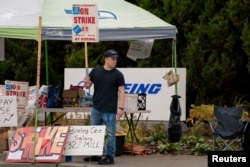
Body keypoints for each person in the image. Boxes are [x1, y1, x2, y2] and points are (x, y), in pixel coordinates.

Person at [83, 49, 125, 165]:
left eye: (116, 59)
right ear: (106, 59)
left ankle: (110, 157)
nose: (115, 61)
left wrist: (120, 108)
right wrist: (86, 82)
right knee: (94, 131)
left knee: (111, 134)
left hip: (110, 109)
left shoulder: (118, 74)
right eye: (113, 58)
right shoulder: (96, 71)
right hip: (96, 107)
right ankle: (96, 154)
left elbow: (122, 91)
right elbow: (87, 86)